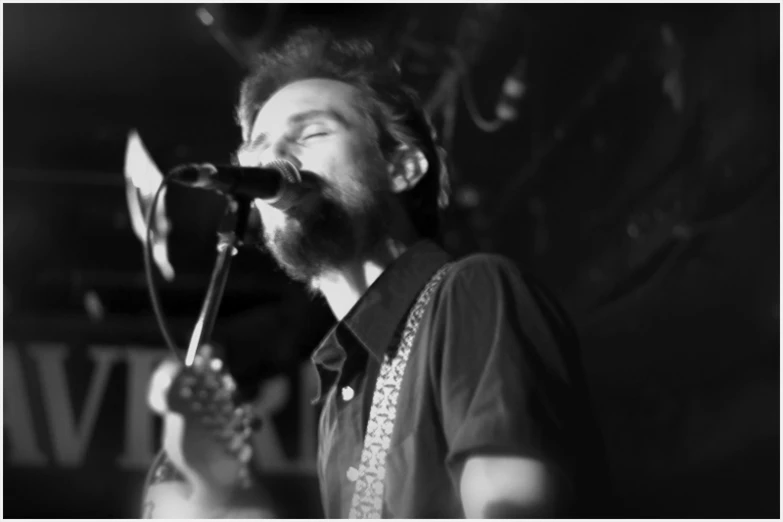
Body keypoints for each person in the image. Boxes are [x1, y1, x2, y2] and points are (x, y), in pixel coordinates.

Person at [151, 27, 609, 518]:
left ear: (403, 167)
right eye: (258, 149)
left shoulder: (472, 293)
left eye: (311, 133)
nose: (273, 159)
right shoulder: (338, 393)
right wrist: (219, 494)